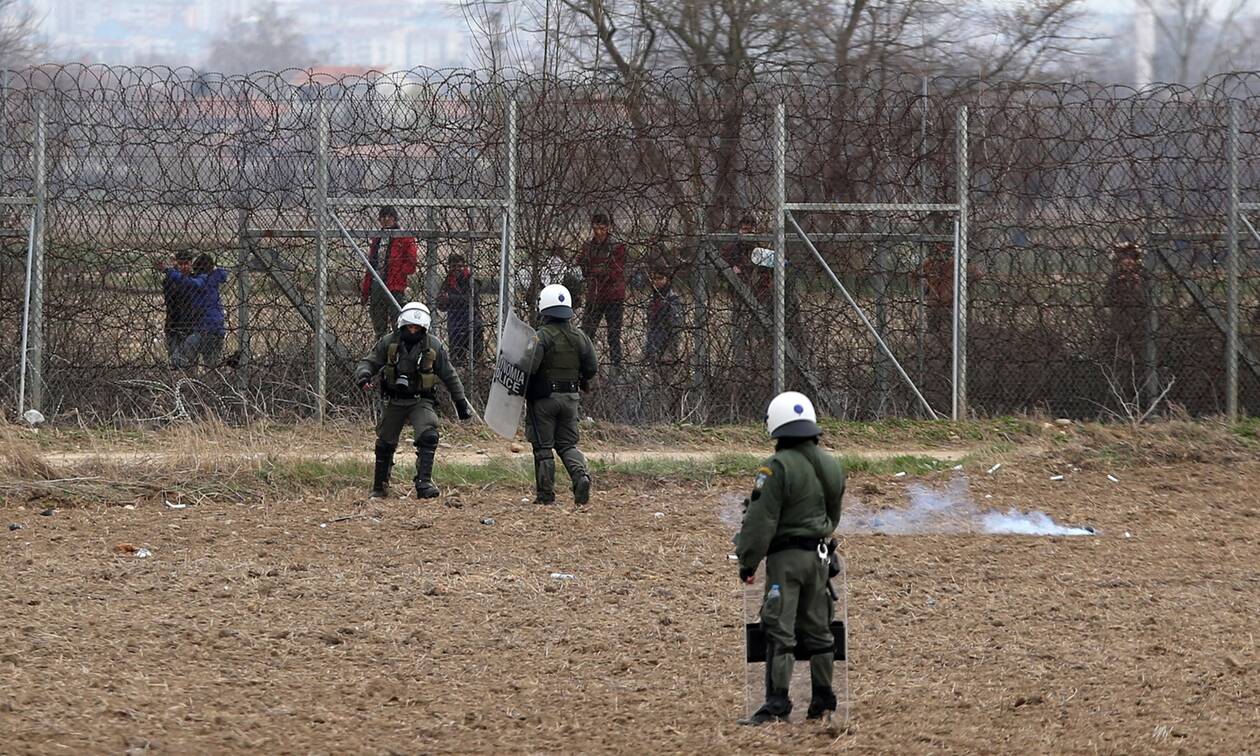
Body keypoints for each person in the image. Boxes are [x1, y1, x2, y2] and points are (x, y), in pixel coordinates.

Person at [735, 391, 845, 726]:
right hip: (820, 558)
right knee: (820, 629)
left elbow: (760, 522)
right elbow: (833, 514)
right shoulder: (831, 465)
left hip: (786, 560)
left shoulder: (776, 467)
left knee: (779, 629)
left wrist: (748, 561)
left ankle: (777, 704)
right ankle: (823, 700)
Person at [355, 302, 474, 499]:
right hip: (395, 400)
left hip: (420, 400)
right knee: (384, 443)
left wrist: (460, 402)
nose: (412, 331)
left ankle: (424, 483)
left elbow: (449, 375)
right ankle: (380, 486)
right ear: (402, 325)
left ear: (423, 328)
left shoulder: (433, 346)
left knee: (428, 435)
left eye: (417, 328)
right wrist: (364, 375)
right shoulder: (389, 342)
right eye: (409, 327)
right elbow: (369, 361)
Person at [525, 284, 598, 505]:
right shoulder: (580, 336)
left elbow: (530, 367)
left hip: (544, 400)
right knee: (567, 445)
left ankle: (545, 495)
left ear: (544, 309)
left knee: (543, 447)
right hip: (571, 399)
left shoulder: (541, 336)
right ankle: (580, 476)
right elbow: (591, 367)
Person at [575, 212, 627, 368]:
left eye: (602, 229)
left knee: (613, 334)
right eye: (596, 228)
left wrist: (596, 270)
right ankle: (584, 365)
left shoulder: (617, 246)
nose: (598, 232)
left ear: (608, 228)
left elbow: (615, 272)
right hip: (595, 295)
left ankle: (616, 366)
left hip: (613, 296)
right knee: (587, 332)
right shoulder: (588, 246)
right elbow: (584, 268)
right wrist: (597, 269)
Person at [361, 205, 418, 339]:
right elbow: (371, 266)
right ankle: (383, 346)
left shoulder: (404, 237)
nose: (386, 219)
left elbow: (411, 263)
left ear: (395, 218)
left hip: (395, 285)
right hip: (377, 284)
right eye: (383, 217)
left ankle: (398, 347)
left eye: (389, 216)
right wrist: (365, 291)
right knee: (379, 323)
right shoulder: (377, 239)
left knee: (397, 321)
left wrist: (398, 271)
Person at [167, 253, 228, 371]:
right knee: (212, 366)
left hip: (203, 329)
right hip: (217, 329)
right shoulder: (215, 277)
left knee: (179, 358)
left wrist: (169, 270)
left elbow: (187, 281)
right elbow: (223, 274)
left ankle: (185, 376)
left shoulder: (201, 281)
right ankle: (212, 380)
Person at [435, 253, 485, 365]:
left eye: (459, 266)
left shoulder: (471, 280)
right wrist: (443, 301)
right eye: (453, 266)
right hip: (455, 325)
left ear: (465, 266)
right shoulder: (448, 281)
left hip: (472, 323)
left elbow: (471, 300)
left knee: (476, 358)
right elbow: (441, 304)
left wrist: (450, 298)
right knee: (457, 359)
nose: (456, 269)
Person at [1103, 240, 1147, 364]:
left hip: (1140, 324)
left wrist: (1137, 285)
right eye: (1124, 258)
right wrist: (1119, 285)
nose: (1128, 261)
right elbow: (1107, 299)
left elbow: (1146, 300)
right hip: (1120, 323)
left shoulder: (1143, 277)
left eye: (1132, 258)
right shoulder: (1114, 278)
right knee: (1120, 355)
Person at [156, 250, 196, 366]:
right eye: (180, 264)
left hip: (190, 326)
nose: (184, 267)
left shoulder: (195, 280)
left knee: (189, 362)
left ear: (191, 263)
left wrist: (170, 270)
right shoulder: (170, 279)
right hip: (173, 325)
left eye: (186, 263)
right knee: (175, 362)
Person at [645, 264, 683, 369]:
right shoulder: (652, 300)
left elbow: (675, 327)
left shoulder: (672, 300)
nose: (656, 282)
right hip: (653, 347)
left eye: (660, 278)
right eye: (654, 279)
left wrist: (669, 351)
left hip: (666, 348)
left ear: (667, 279)